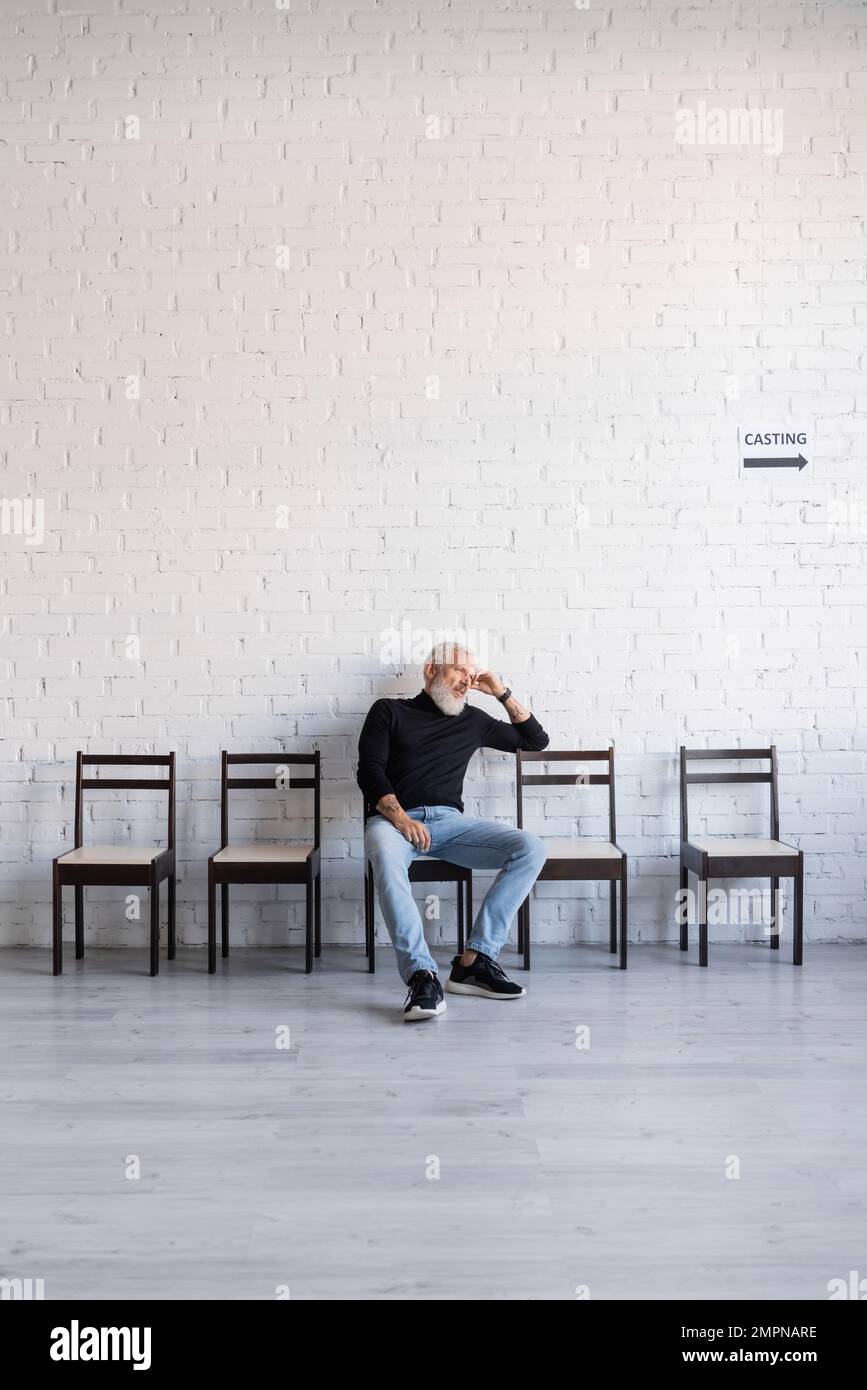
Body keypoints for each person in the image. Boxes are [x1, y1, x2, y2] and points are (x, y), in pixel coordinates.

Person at [357, 644, 549, 1020]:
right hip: (393, 822)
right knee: (383, 854)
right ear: (431, 669)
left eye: (471, 674)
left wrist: (501, 692)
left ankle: (475, 961)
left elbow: (534, 741)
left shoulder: (474, 720)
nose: (466, 680)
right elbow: (369, 771)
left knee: (530, 847)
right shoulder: (389, 711)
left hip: (449, 822)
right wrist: (400, 819)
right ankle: (422, 976)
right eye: (459, 670)